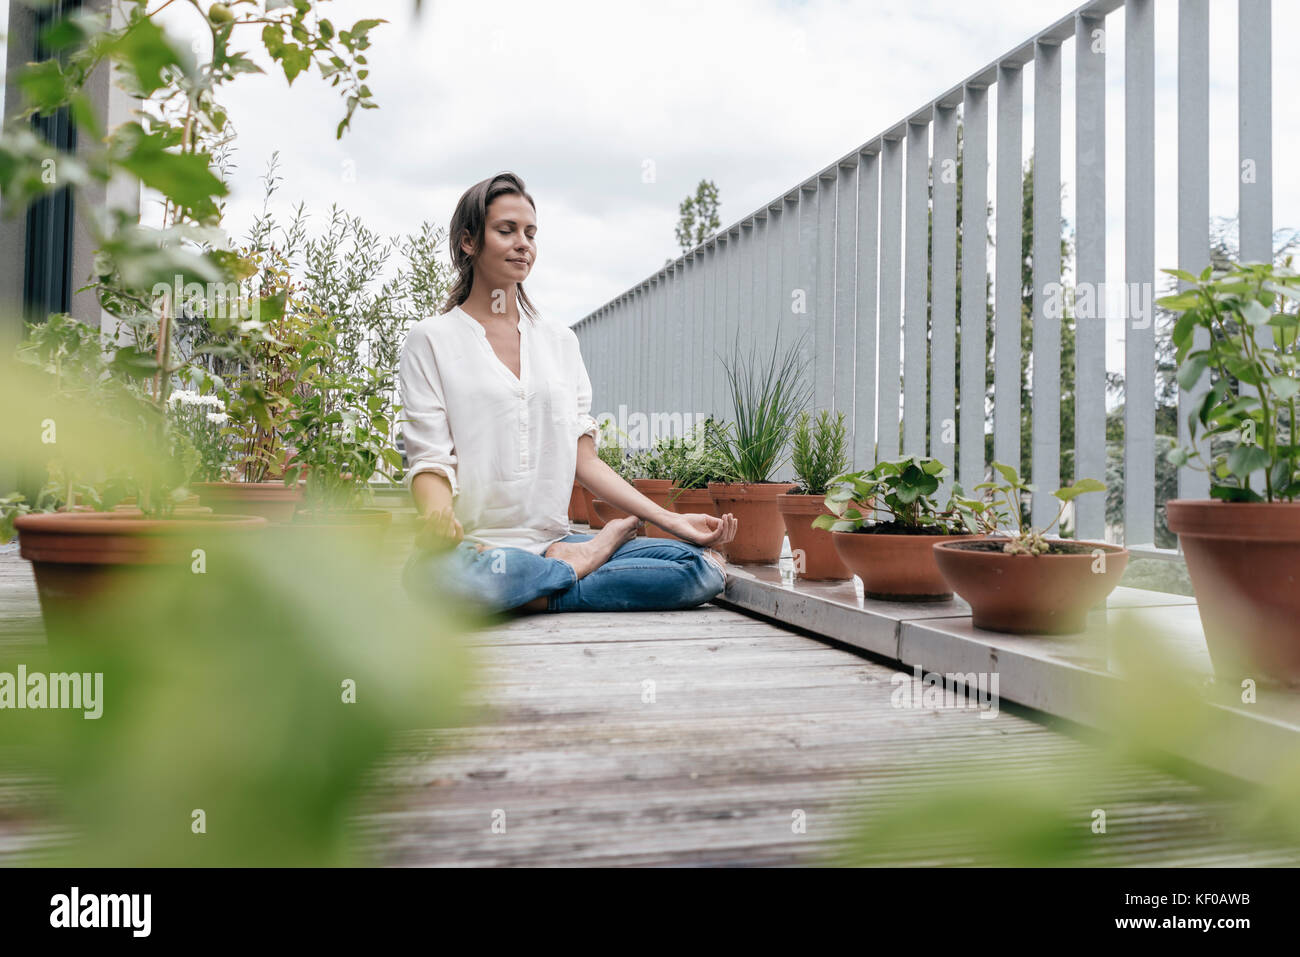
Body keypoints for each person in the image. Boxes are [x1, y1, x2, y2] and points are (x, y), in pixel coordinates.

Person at [399, 172, 736, 615]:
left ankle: (545, 581)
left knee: (699, 568)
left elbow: (585, 461)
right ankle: (579, 566)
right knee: (434, 579)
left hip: (554, 541)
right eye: (507, 231)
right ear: (468, 242)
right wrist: (438, 516)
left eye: (531, 233)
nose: (524, 244)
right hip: (479, 548)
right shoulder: (431, 339)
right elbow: (429, 461)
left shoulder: (560, 341)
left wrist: (672, 521)